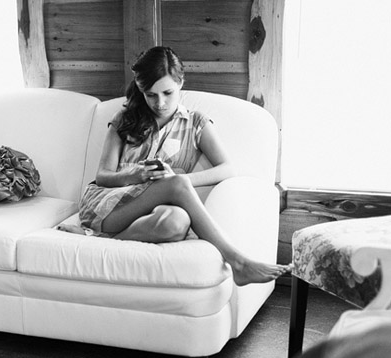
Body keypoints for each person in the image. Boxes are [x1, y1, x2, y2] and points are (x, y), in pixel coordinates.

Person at [66, 46, 291, 286]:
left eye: (167, 93)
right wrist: (135, 174)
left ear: (180, 83)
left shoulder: (196, 123)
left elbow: (227, 168)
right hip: (109, 206)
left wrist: (175, 181)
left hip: (154, 211)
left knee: (177, 222)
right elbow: (102, 176)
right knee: (177, 186)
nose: (159, 103)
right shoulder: (125, 119)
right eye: (150, 94)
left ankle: (97, 240)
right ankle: (238, 263)